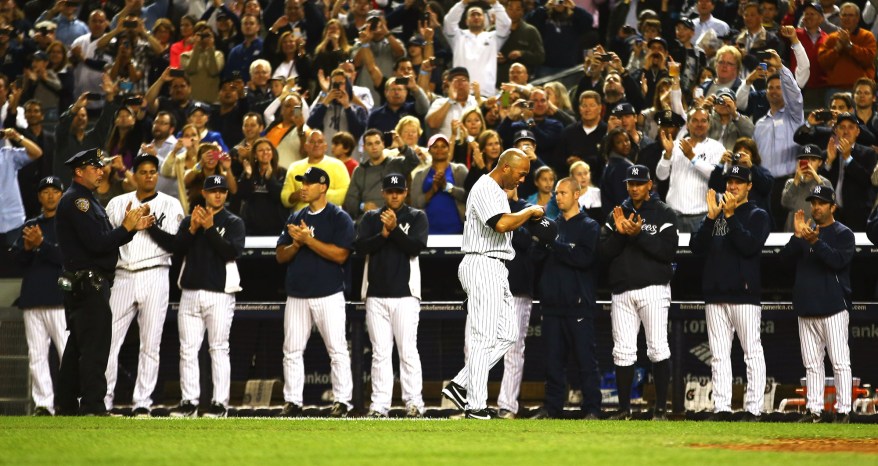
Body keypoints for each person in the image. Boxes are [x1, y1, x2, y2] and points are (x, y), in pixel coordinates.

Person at [441, 149, 544, 419]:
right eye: (521, 173)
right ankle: (476, 406)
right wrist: (529, 210)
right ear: (506, 167)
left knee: (508, 334)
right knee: (483, 338)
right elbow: (500, 224)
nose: (523, 179)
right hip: (482, 262)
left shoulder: (498, 191)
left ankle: (461, 383)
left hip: (496, 266)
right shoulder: (486, 186)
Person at [55, 148, 153, 416]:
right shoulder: (79, 202)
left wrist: (130, 231)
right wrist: (125, 228)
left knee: (79, 346)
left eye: (101, 166)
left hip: (85, 283)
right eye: (94, 167)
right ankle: (93, 405)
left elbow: (104, 241)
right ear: (79, 171)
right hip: (89, 284)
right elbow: (97, 244)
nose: (101, 171)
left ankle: (66, 405)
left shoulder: (87, 200)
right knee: (95, 349)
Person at [103, 154, 184, 416]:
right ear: (134, 175)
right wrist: (131, 226)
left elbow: (175, 245)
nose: (149, 176)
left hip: (155, 273)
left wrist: (147, 226)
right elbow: (106, 241)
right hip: (123, 274)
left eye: (153, 172)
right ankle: (104, 399)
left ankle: (142, 402)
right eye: (144, 172)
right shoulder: (117, 203)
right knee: (109, 342)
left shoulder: (170, 205)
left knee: (150, 343)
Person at [690, 165, 770, 421]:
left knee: (752, 352)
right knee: (719, 356)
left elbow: (749, 246)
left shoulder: (758, 214)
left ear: (749, 186)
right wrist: (711, 218)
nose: (733, 186)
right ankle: (722, 407)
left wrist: (732, 216)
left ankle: (753, 409)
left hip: (744, 294)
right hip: (715, 294)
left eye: (738, 182)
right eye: (730, 181)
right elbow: (695, 247)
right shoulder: (717, 214)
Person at [276, 166, 355, 418]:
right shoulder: (294, 217)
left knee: (337, 350)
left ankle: (342, 401)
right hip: (297, 294)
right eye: (302, 182)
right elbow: (280, 256)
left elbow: (341, 255)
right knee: (291, 350)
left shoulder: (338, 217)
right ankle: (292, 401)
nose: (304, 187)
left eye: (309, 183)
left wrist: (309, 241)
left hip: (328, 294)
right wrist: (297, 244)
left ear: (323, 187)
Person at [599, 165, 677, 421]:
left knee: (657, 348)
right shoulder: (617, 213)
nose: (634, 188)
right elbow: (603, 253)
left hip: (653, 289)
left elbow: (667, 252)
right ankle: (624, 410)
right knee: (622, 351)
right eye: (631, 183)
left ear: (649, 185)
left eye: (639, 183)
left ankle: (661, 409)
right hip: (622, 290)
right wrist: (622, 235)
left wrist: (639, 234)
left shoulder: (664, 212)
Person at [169, 174, 245, 418]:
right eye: (213, 190)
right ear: (204, 193)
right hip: (190, 292)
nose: (218, 194)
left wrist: (210, 229)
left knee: (219, 348)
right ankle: (189, 402)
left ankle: (219, 404)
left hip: (220, 294)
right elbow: (177, 249)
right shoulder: (191, 220)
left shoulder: (233, 222)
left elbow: (231, 252)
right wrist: (192, 230)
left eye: (222, 190)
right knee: (188, 350)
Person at [355, 174, 429, 418]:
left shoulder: (417, 216)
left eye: (399, 191)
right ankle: (379, 405)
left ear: (406, 192)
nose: (394, 195)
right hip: (376, 294)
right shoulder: (370, 218)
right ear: (383, 193)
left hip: (406, 295)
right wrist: (383, 235)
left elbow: (415, 248)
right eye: (390, 191)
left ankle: (414, 403)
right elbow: (360, 248)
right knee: (380, 353)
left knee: (408, 351)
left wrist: (394, 229)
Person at [529, 176, 601, 420]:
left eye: (562, 193)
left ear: (576, 194)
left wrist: (554, 245)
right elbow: (535, 257)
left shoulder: (590, 226)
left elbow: (583, 259)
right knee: (552, 362)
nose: (557, 196)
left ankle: (592, 409)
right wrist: (541, 240)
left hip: (578, 306)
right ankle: (552, 408)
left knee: (585, 361)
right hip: (551, 306)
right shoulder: (550, 225)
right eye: (556, 194)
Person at [782, 186, 854, 424]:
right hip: (807, 307)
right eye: (813, 203)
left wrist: (816, 242)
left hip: (833, 307)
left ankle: (843, 410)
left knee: (840, 362)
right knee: (811, 364)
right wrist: (797, 237)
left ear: (833, 207)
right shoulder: (805, 232)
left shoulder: (844, 233)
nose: (816, 207)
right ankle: (815, 411)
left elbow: (838, 261)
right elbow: (782, 261)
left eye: (821, 203)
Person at [12, 176, 67, 416]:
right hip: (33, 298)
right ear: (39, 197)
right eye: (45, 192)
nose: (50, 195)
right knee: (37, 355)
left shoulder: (67, 224)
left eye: (55, 191)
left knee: (67, 353)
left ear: (62, 195)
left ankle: (70, 401)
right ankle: (44, 404)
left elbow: (66, 259)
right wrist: (26, 248)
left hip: (60, 299)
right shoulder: (31, 224)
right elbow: (16, 260)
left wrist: (41, 245)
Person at [656, 107, 726, 232]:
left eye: (703, 120)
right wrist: (667, 154)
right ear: (687, 125)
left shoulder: (717, 148)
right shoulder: (675, 145)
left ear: (709, 125)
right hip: (674, 215)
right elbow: (661, 176)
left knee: (701, 252)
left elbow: (716, 177)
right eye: (694, 120)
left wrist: (692, 157)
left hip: (702, 216)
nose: (699, 124)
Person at [342, 129, 420, 221]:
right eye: (370, 144)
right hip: (369, 218)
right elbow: (350, 200)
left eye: (377, 143)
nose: (374, 147)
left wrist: (402, 146)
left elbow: (415, 161)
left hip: (395, 217)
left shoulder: (397, 164)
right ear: (364, 147)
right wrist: (362, 206)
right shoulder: (359, 170)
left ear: (383, 144)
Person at [443, 0, 510, 96]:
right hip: (461, 94)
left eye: (479, 14)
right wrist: (463, 3)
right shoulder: (458, 37)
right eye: (472, 15)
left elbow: (505, 25)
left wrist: (495, 4)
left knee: (505, 101)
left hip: (486, 95)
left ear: (485, 19)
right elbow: (448, 22)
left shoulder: (493, 38)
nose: (476, 17)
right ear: (466, 21)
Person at [409, 134, 468, 234]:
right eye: (435, 146)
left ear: (449, 149)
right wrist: (433, 190)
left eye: (443, 146)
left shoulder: (460, 170)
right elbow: (415, 204)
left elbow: (468, 196)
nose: (439, 149)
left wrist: (447, 187)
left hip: (458, 229)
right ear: (429, 150)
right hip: (428, 231)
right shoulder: (419, 175)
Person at [281, 129, 351, 212]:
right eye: (312, 142)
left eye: (320, 141)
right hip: (301, 218)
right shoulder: (294, 167)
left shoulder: (338, 165)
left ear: (325, 146)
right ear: (305, 146)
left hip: (330, 217)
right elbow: (285, 198)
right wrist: (297, 195)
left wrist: (316, 193)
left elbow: (344, 194)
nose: (316, 145)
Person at [0, 127, 44, 248]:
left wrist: (16, 137)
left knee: (17, 262)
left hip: (14, 221)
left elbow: (37, 152)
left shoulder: (7, 154)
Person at [781, 144, 831, 232]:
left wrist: (816, 177)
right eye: (805, 160)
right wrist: (796, 180)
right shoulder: (791, 182)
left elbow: (829, 205)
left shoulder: (824, 182)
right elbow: (785, 204)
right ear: (799, 162)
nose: (809, 164)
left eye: (813, 160)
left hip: (816, 233)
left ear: (820, 163)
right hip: (793, 232)